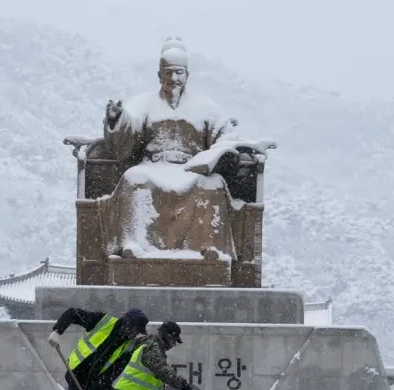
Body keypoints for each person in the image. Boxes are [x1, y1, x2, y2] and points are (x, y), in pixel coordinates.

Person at [94, 36, 276, 261]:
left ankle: (208, 248)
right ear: (159, 75)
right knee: (133, 179)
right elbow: (127, 133)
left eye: (179, 72)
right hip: (153, 166)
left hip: (192, 169)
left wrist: (216, 154)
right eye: (168, 72)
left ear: (187, 75)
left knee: (213, 184)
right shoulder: (144, 104)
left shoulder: (205, 107)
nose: (173, 78)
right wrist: (116, 119)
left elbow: (226, 136)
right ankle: (134, 245)